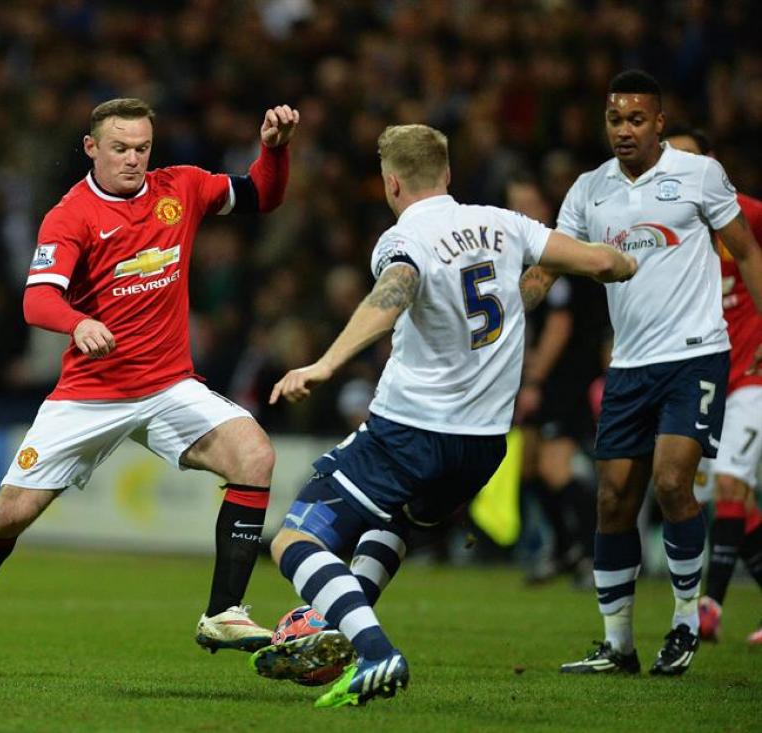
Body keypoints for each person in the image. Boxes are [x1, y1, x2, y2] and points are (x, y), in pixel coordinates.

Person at [248, 123, 636, 708]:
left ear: (392, 182)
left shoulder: (403, 237)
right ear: (448, 174)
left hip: (411, 429)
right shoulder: (507, 225)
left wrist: (325, 364)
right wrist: (628, 259)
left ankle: (375, 652)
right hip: (482, 446)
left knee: (294, 539)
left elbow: (397, 289)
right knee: (398, 521)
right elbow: (606, 264)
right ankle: (333, 627)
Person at [0, 97, 300, 661]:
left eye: (142, 148)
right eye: (120, 148)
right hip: (90, 394)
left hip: (168, 384)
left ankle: (223, 613)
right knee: (10, 515)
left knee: (255, 455)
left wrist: (273, 149)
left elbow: (263, 194)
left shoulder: (182, 188)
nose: (133, 159)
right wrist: (79, 322)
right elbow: (37, 300)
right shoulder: (71, 214)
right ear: (92, 148)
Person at [524, 70, 762, 676]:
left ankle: (685, 623)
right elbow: (549, 267)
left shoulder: (699, 176)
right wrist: (500, 310)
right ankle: (618, 644)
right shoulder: (588, 189)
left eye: (636, 119)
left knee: (674, 481)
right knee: (611, 500)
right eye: (614, 120)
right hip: (629, 364)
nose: (624, 130)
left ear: (658, 123)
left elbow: (750, 250)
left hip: (694, 354)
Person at [664, 127, 762, 645]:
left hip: (753, 372)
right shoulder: (668, 226)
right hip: (703, 375)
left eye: (686, 160)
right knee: (723, 499)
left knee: (729, 485)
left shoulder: (743, 213)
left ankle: (711, 607)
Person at [507, 176, 602, 588]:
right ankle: (565, 549)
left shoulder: (553, 254)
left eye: (529, 202)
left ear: (546, 207)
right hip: (542, 377)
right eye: (515, 205)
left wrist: (533, 380)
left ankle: (594, 554)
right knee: (529, 467)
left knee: (553, 466)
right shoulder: (519, 253)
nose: (522, 212)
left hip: (564, 377)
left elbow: (559, 326)